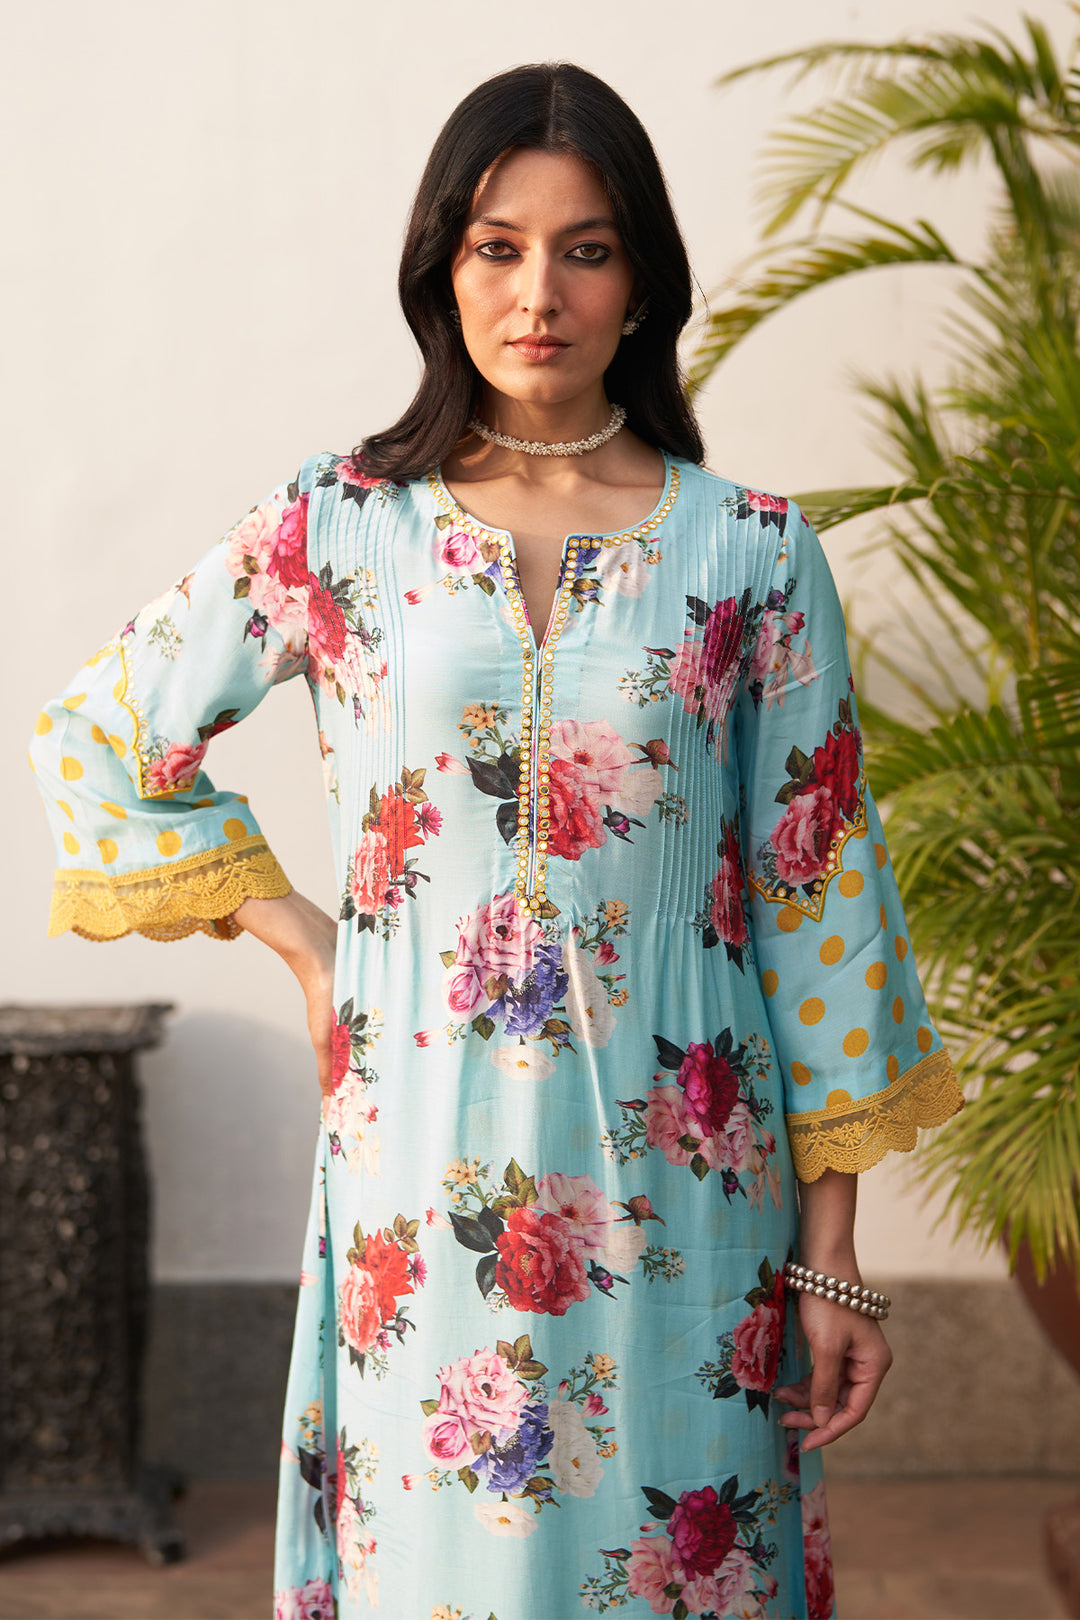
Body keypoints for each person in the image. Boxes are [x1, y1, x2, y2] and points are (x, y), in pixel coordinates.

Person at [29, 61, 965, 1620]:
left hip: (688, 1185)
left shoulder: (753, 551)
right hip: (419, 1167)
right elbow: (103, 733)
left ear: (642, 280)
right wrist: (305, 942)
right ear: (441, 270)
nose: (541, 293)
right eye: (498, 247)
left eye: (586, 250)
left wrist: (831, 1256)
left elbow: (815, 895)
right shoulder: (342, 524)